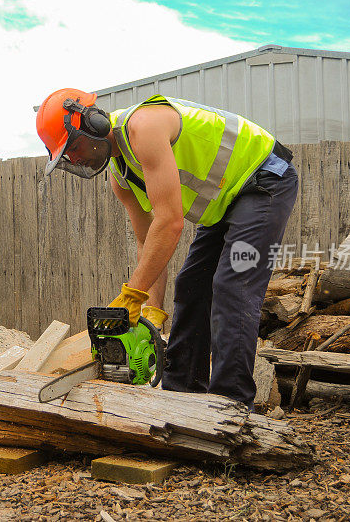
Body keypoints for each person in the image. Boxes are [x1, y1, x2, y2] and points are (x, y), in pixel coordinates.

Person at [35, 88, 298, 409]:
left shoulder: (143, 127)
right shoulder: (121, 177)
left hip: (263, 177)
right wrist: (151, 313)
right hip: (225, 201)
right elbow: (149, 243)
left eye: (74, 146)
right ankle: (182, 395)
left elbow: (170, 223)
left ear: (94, 122)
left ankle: (232, 405)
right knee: (191, 285)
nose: (76, 158)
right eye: (68, 155)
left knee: (234, 284)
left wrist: (132, 295)